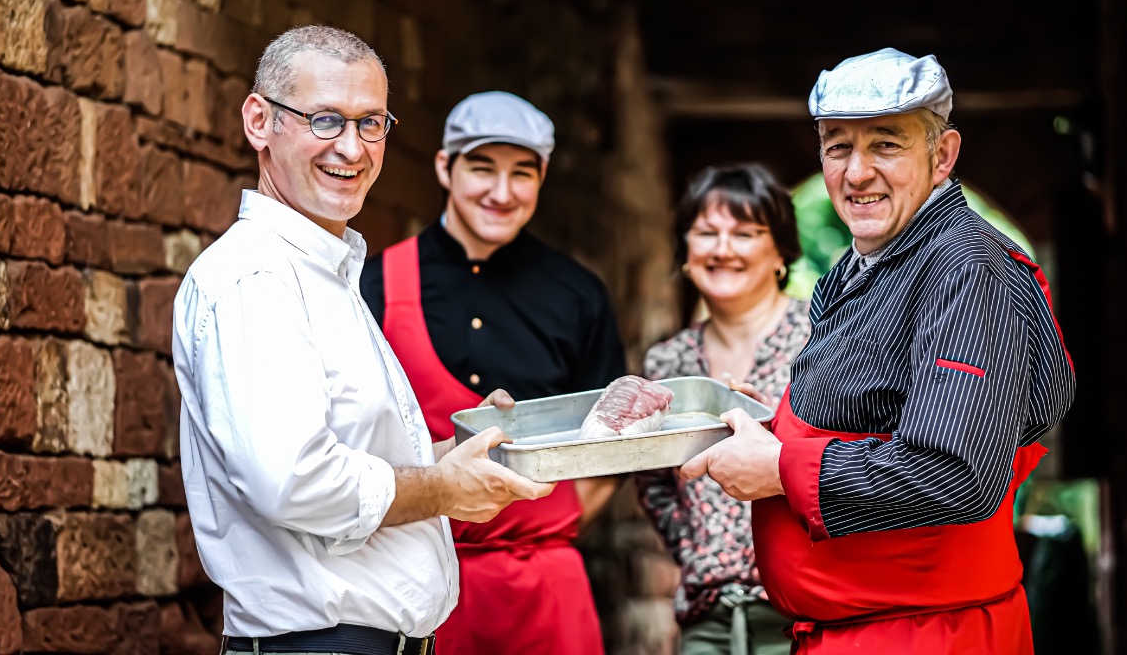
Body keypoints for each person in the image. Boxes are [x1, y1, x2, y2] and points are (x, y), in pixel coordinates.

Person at [681, 48, 1076, 654]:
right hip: (868, 631)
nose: (857, 172)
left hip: (931, 634)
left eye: (886, 145)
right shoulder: (863, 263)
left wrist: (781, 467)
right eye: (838, 147)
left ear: (942, 156)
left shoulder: (969, 271)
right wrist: (772, 428)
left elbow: (957, 476)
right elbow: (877, 413)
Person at [173, 26, 553, 655]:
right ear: (259, 121)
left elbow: (344, 452)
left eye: (370, 123)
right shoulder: (256, 276)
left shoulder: (325, 270)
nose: (351, 148)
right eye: (325, 120)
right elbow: (295, 481)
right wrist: (444, 488)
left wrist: (454, 454)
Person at [360, 91, 627, 655]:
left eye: (521, 174)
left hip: (548, 588)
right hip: (417, 577)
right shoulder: (374, 284)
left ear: (542, 177)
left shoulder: (578, 295)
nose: (501, 193)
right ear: (443, 167)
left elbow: (615, 448)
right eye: (482, 168)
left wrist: (551, 520)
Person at [638, 163, 809, 655]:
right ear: (686, 252)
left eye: (745, 233)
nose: (723, 249)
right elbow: (652, 481)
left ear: (780, 250)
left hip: (802, 610)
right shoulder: (668, 361)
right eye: (707, 233)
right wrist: (695, 550)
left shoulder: (823, 343)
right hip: (707, 616)